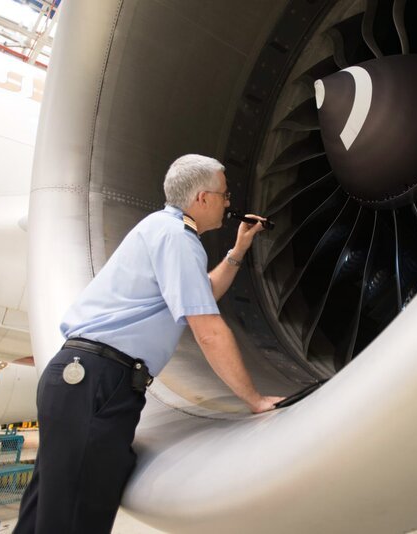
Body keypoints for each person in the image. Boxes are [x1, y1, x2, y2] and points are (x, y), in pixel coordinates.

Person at [15, 154, 284, 533]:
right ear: (202, 198)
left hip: (79, 380)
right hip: (99, 382)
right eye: (224, 194)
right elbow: (207, 327)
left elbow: (200, 293)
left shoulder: (160, 229)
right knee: (77, 517)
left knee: (49, 511)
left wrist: (237, 251)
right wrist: (254, 399)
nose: (228, 202)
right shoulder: (178, 239)